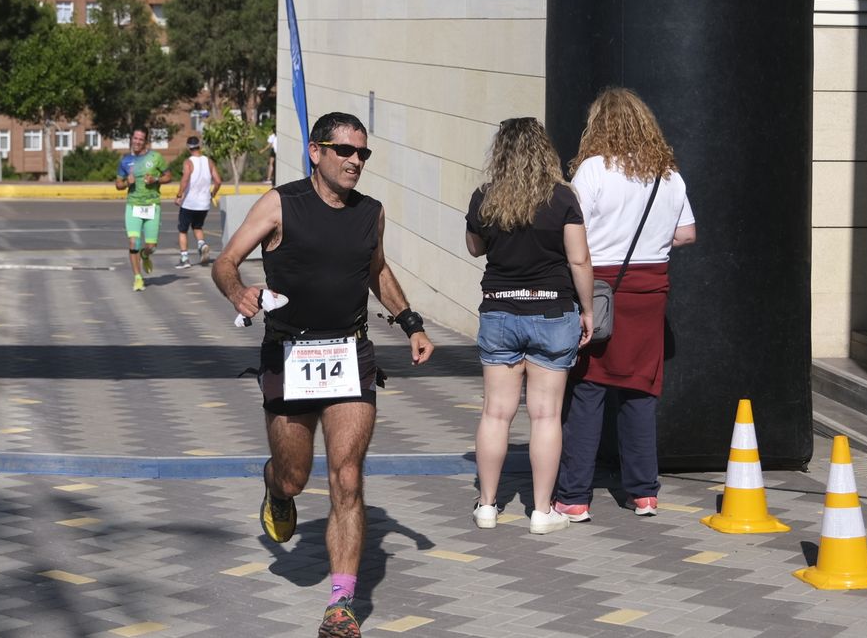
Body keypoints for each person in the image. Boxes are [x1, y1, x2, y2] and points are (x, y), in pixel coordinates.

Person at [213, 111, 434, 638]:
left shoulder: (371, 213)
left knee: (348, 478)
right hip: (289, 356)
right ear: (317, 152)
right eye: (345, 151)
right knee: (295, 474)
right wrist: (238, 291)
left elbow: (376, 269)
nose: (356, 161)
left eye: (363, 154)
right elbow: (225, 261)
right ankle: (276, 489)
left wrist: (411, 324)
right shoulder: (280, 204)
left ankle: (341, 605)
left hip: (350, 354)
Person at [554, 87, 695, 521]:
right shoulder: (668, 174)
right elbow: (687, 233)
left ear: (599, 126)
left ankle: (575, 496)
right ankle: (644, 492)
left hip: (600, 289)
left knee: (588, 389)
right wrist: (654, 239)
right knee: (640, 389)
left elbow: (571, 228)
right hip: (650, 292)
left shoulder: (594, 170)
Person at [465, 118, 597, 535]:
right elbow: (578, 260)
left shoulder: (485, 197)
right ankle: (541, 511)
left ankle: (487, 505)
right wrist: (588, 310)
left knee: (496, 413)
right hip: (553, 313)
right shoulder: (562, 198)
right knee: (545, 416)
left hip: (500, 312)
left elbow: (474, 248)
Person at [115, 128, 172, 292]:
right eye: (135, 138)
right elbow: (118, 184)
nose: (137, 141)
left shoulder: (156, 158)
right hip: (133, 206)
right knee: (133, 242)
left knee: (151, 246)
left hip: (152, 206)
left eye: (141, 139)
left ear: (145, 141)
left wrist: (156, 179)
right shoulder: (125, 161)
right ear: (131, 139)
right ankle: (138, 278)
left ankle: (145, 255)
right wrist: (127, 182)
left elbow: (168, 176)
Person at [175, 135, 221, 268]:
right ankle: (202, 244)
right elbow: (218, 181)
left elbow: (185, 178)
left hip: (189, 202)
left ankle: (184, 259)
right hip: (204, 203)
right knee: (197, 226)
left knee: (183, 230)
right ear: (199, 146)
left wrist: (179, 194)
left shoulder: (188, 162)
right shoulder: (209, 161)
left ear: (188, 147)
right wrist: (212, 193)